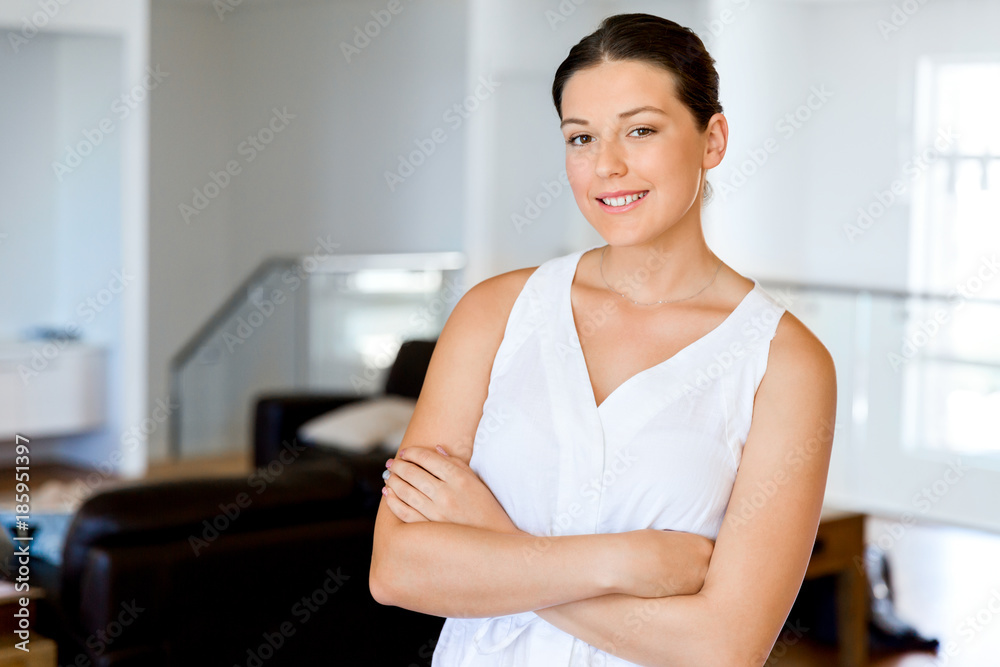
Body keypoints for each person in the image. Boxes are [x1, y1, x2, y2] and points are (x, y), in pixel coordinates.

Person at [370, 12, 836, 666]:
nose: (607, 166)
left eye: (640, 130)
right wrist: (631, 558)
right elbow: (397, 569)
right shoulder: (494, 313)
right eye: (581, 138)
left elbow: (723, 646)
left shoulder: (785, 364)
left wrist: (493, 540)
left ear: (713, 139)